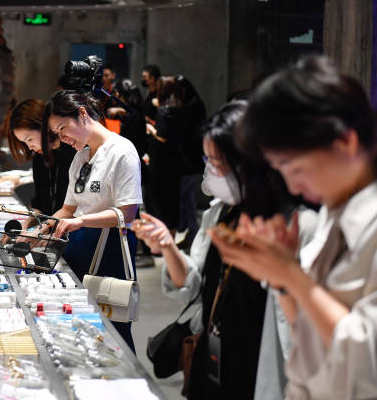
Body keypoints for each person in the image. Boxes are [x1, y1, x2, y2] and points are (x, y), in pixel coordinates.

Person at [209, 56, 377, 400]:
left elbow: (366, 364)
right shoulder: (334, 214)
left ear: (345, 142)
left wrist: (291, 275)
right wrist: (283, 282)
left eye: (294, 167)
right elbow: (308, 337)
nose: (293, 185)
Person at [133, 101, 316, 399]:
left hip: (260, 370)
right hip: (215, 359)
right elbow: (194, 288)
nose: (211, 171)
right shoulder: (221, 213)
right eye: (208, 160)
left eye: (218, 163)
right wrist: (167, 246)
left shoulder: (298, 226)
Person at [42, 90, 143, 351]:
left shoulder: (122, 151)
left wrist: (82, 221)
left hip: (110, 249)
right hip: (78, 248)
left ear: (82, 114)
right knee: (81, 329)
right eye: (57, 133)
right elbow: (68, 209)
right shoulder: (80, 157)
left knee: (113, 331)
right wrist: (39, 230)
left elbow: (126, 213)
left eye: (63, 128)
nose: (63, 138)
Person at [149, 74, 207, 249]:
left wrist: (151, 129)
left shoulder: (165, 111)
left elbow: (162, 136)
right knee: (178, 201)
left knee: (166, 202)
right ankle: (177, 238)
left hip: (169, 162)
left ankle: (168, 242)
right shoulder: (182, 109)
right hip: (179, 160)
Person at [4, 98, 76, 224]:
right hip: (51, 231)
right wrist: (24, 227)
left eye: (29, 139)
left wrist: (42, 229)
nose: (29, 147)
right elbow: (40, 205)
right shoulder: (39, 158)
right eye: (24, 142)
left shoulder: (75, 151)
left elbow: (74, 209)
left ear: (43, 127)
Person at [138, 63, 162, 267]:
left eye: (145, 76)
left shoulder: (159, 97)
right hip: (149, 150)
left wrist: (148, 124)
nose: (143, 79)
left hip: (154, 153)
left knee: (152, 202)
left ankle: (153, 246)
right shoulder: (150, 96)